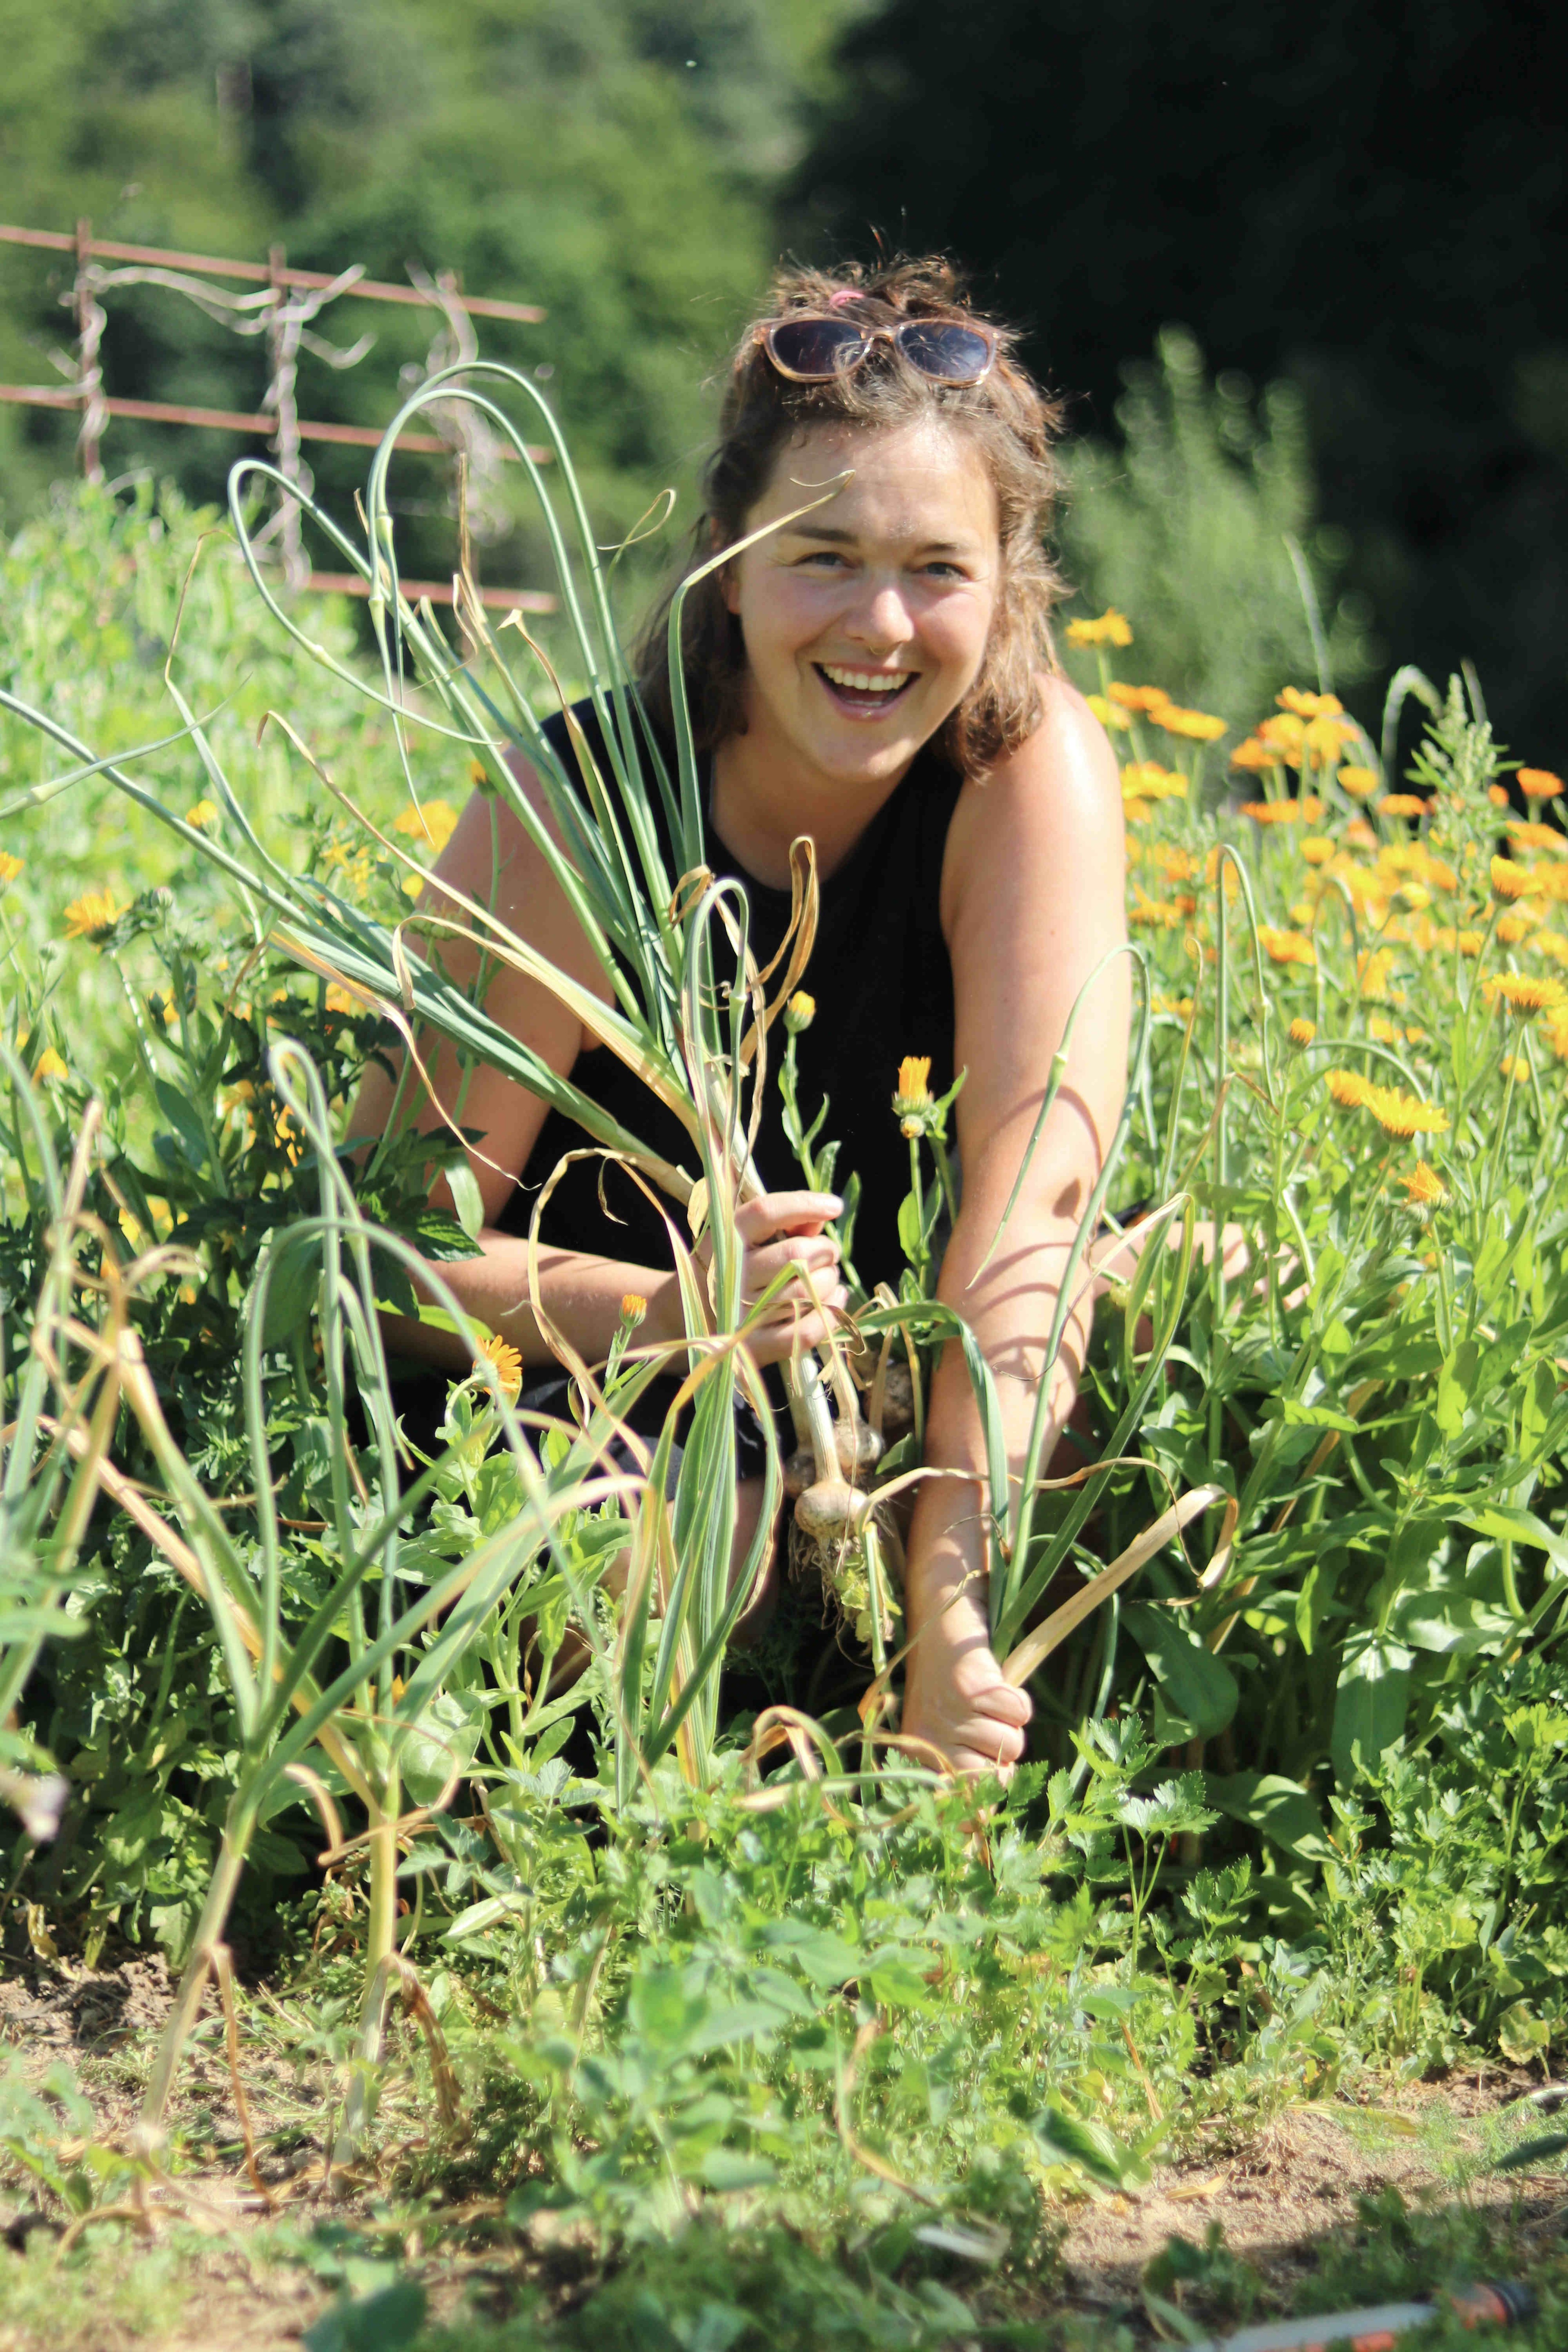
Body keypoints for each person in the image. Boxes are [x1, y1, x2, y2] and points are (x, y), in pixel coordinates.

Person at [357, 258, 1130, 1777]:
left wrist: (957, 1605)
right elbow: (383, 1251)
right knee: (633, 1556)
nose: (882, 623)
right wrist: (664, 1311)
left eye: (938, 569)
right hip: (617, 1387)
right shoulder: (573, 803)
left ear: (1012, 580)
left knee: (1181, 1292)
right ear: (728, 560)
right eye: (822, 555)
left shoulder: (1026, 778)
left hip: (916, 1404)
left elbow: (1031, 1222)